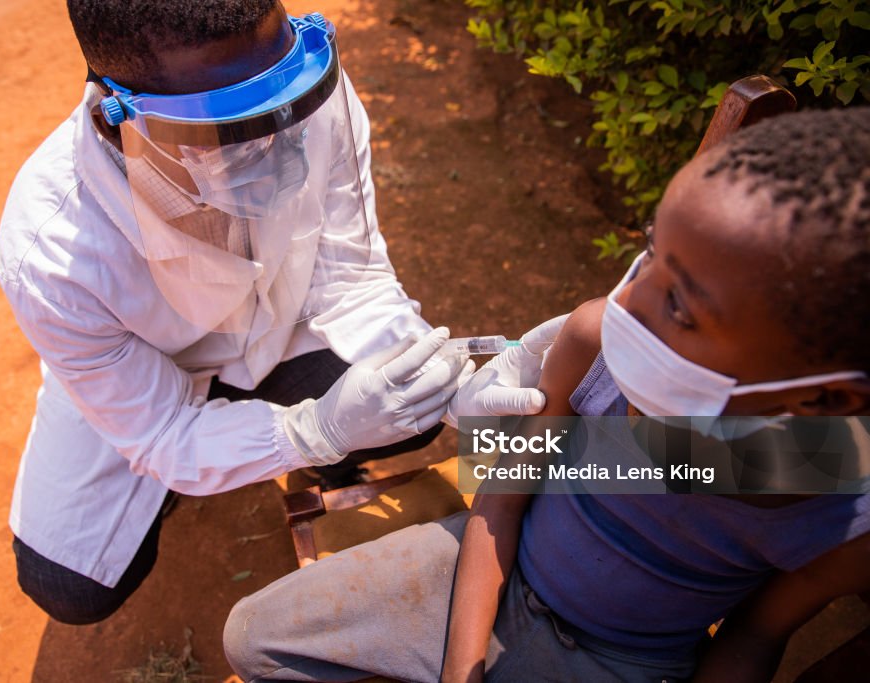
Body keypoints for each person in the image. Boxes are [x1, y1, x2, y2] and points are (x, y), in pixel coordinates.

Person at [223, 106, 870, 682]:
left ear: (822, 402)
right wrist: (462, 664)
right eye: (650, 252)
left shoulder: (840, 514)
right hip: (482, 572)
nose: (626, 305)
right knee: (252, 638)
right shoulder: (595, 341)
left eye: (681, 304)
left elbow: (755, 634)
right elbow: (500, 503)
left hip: (620, 663)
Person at [0, 0, 504, 625]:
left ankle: (258, 434)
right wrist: (316, 431)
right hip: (145, 378)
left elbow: (353, 277)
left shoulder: (310, 101)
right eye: (229, 130)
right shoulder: (51, 255)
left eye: (282, 107)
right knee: (72, 588)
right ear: (114, 121)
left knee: (411, 411)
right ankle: (207, 467)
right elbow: (157, 433)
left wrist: (458, 382)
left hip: (277, 329)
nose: (283, 146)